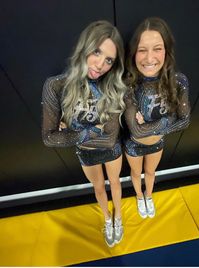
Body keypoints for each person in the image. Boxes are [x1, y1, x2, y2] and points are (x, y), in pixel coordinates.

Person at [41, 20, 126, 247]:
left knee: (115, 182)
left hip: (112, 149)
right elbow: (49, 138)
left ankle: (118, 217)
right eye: (96, 52)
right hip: (86, 153)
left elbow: (109, 137)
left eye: (109, 60)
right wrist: (93, 130)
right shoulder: (56, 86)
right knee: (98, 188)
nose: (100, 65)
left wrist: (72, 131)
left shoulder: (112, 86)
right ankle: (107, 219)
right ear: (85, 46)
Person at [123, 17, 190, 219]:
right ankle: (138, 196)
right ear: (134, 52)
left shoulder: (179, 81)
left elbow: (185, 121)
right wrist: (169, 120)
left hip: (157, 144)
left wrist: (156, 124)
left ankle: (148, 195)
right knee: (136, 174)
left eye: (157, 48)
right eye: (142, 49)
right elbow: (136, 130)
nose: (149, 57)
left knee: (151, 174)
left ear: (167, 51)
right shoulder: (129, 84)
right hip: (134, 144)